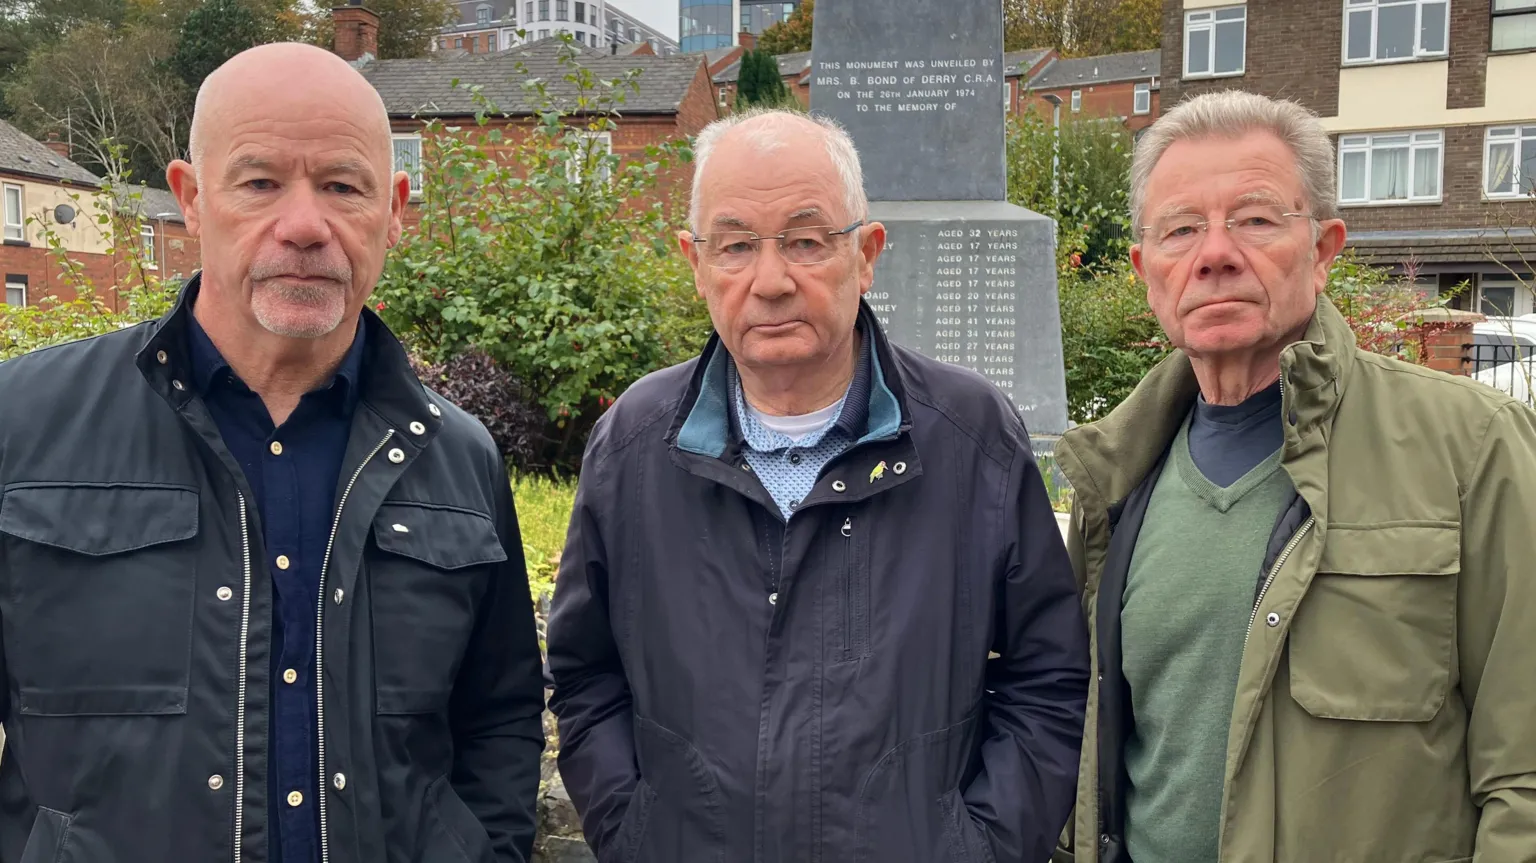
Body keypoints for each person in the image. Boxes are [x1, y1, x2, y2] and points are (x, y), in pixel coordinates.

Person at [0, 43, 546, 862]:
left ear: (393, 209)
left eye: (341, 185)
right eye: (259, 183)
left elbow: (498, 718)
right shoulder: (24, 424)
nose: (303, 225)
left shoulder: (458, 458)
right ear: (190, 199)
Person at [546, 108, 1090, 863]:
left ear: (866, 255)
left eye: (806, 240)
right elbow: (583, 674)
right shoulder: (634, 445)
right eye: (735, 245)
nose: (770, 281)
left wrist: (979, 846)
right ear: (694, 262)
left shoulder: (972, 439)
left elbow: (1045, 678)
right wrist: (638, 831)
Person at [1052, 89, 1536, 863]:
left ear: (1324, 247)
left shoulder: (1472, 448)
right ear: (1146, 268)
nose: (1214, 253)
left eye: (1254, 218)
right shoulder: (1115, 477)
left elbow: (1525, 776)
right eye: (1181, 229)